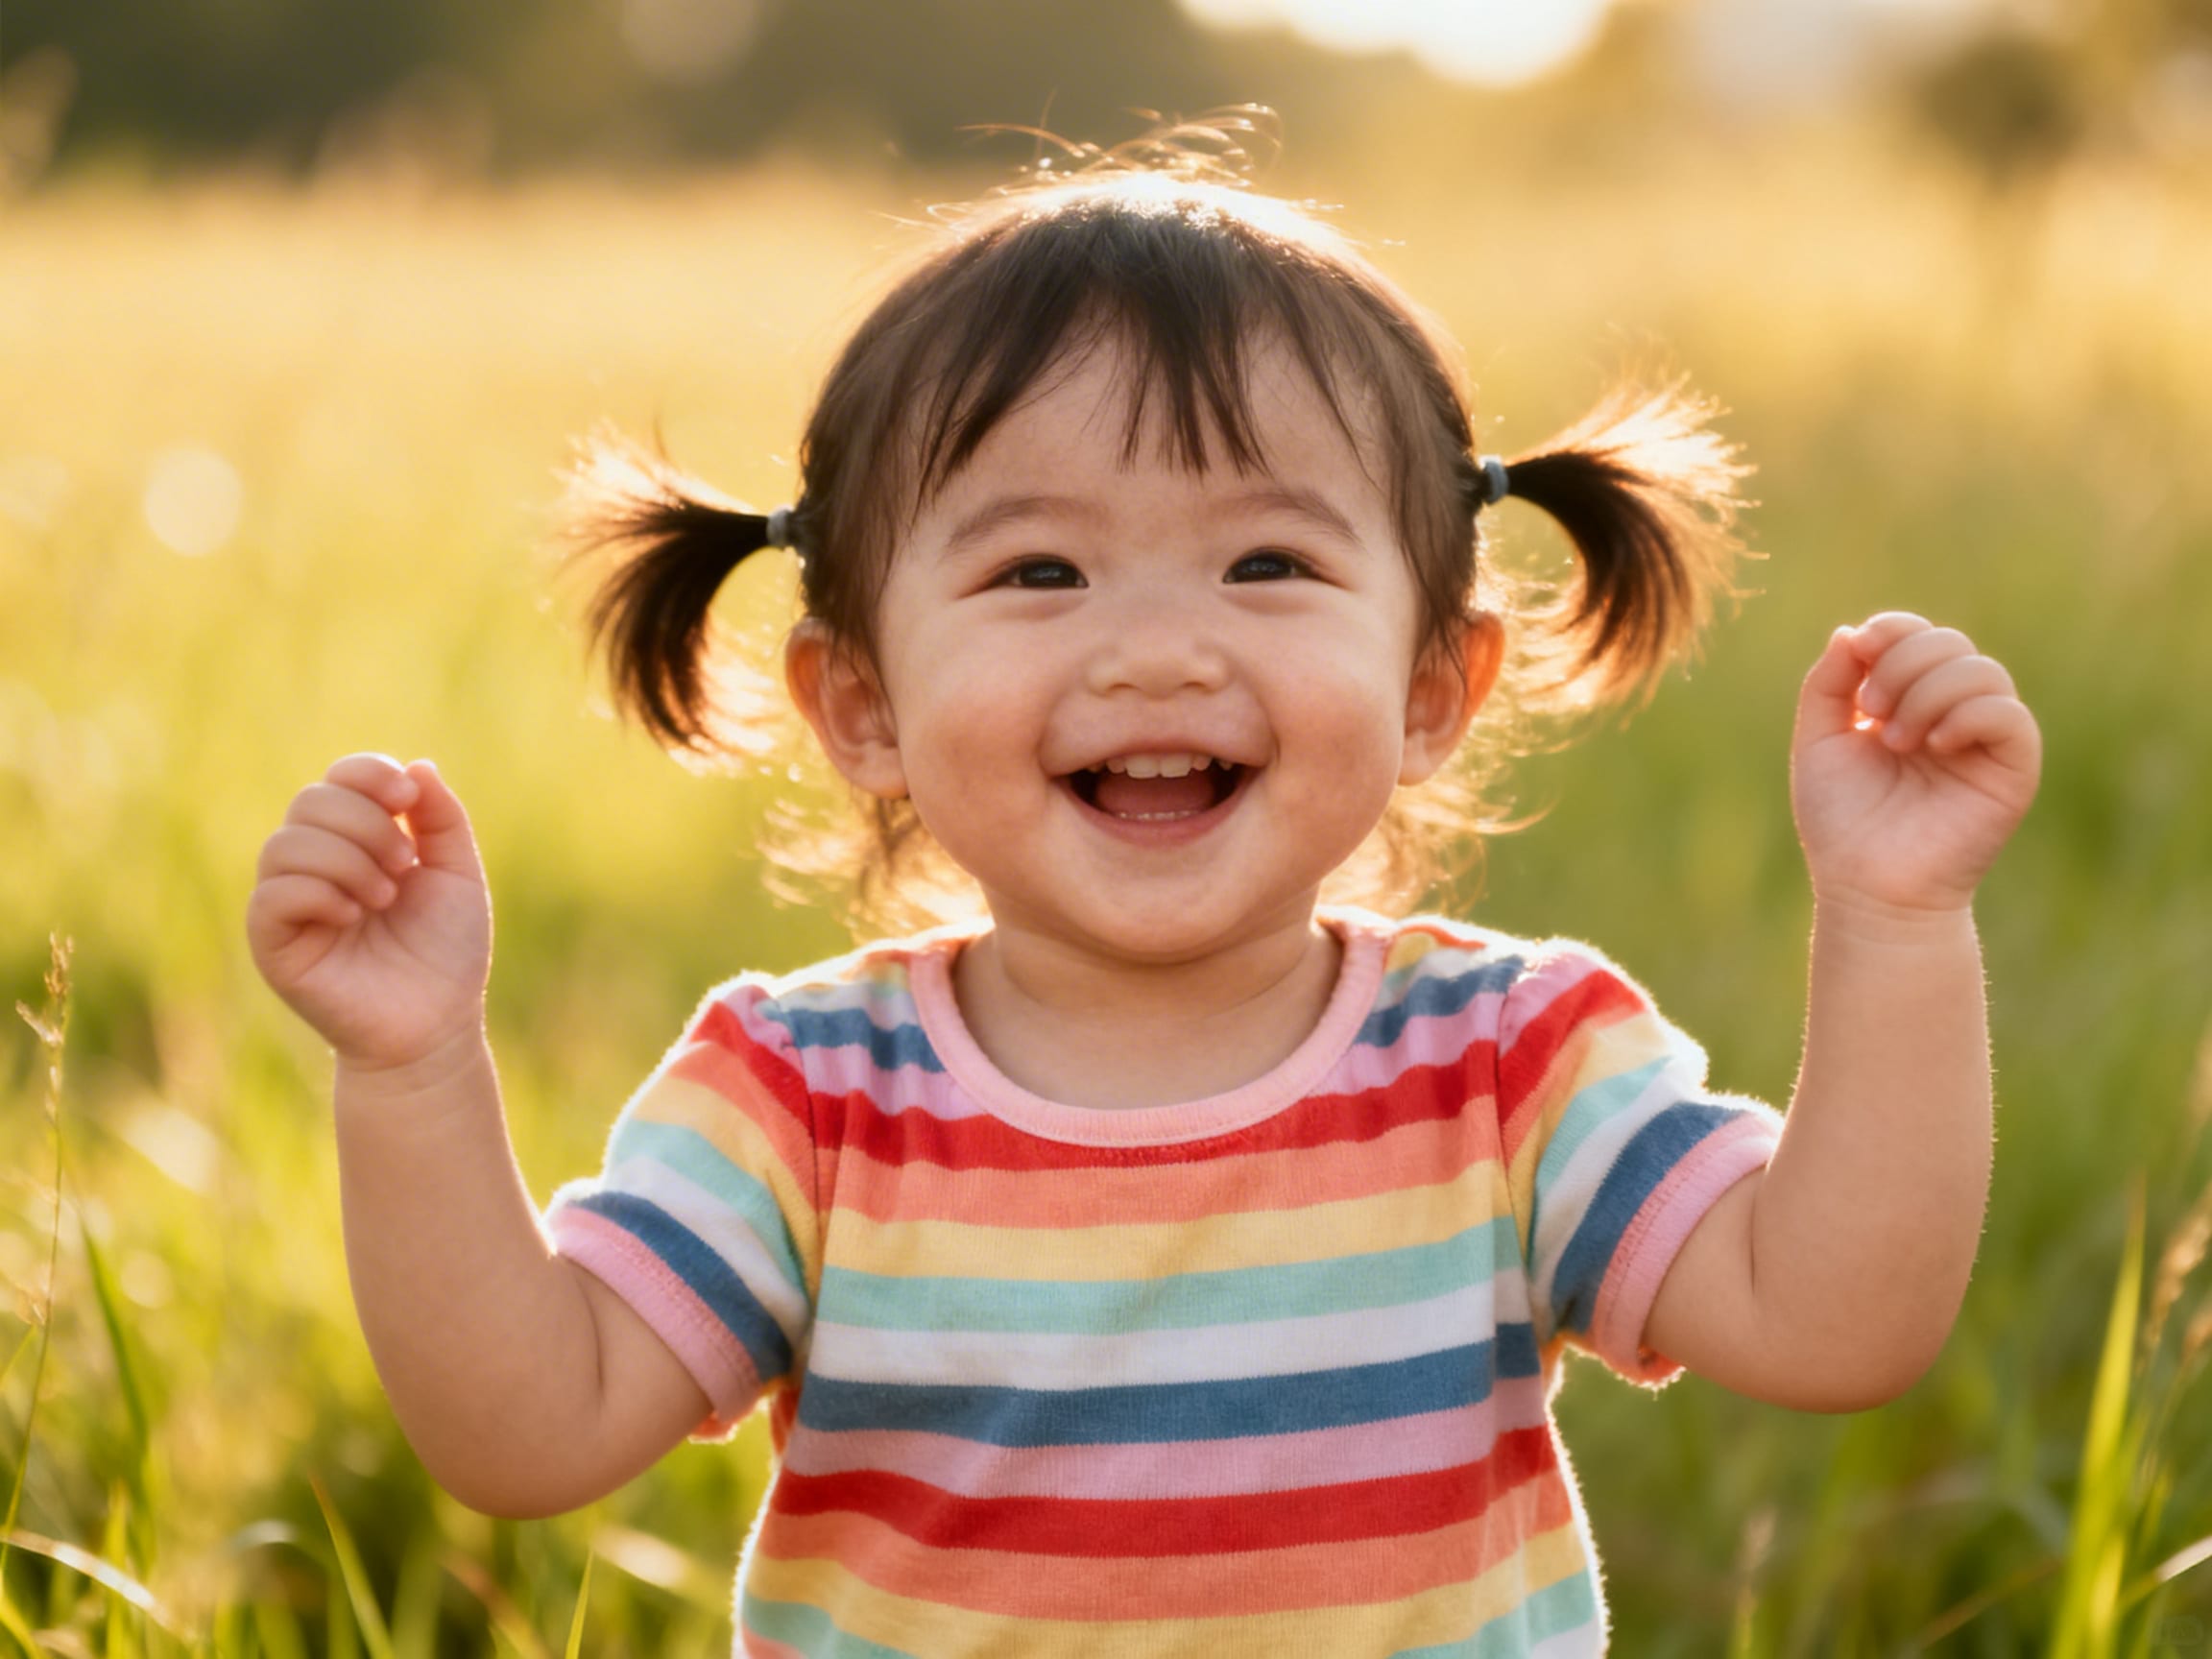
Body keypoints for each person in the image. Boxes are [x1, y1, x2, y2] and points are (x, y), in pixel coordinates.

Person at [246, 140, 2041, 1656]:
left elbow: (1837, 1324)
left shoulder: (1511, 1066)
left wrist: (1894, 921)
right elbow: (522, 1428)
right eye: (1040, 568)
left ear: (1434, 686)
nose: (1160, 647)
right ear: (860, 704)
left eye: (1270, 559)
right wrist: (413, 1073)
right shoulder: (805, 1101)